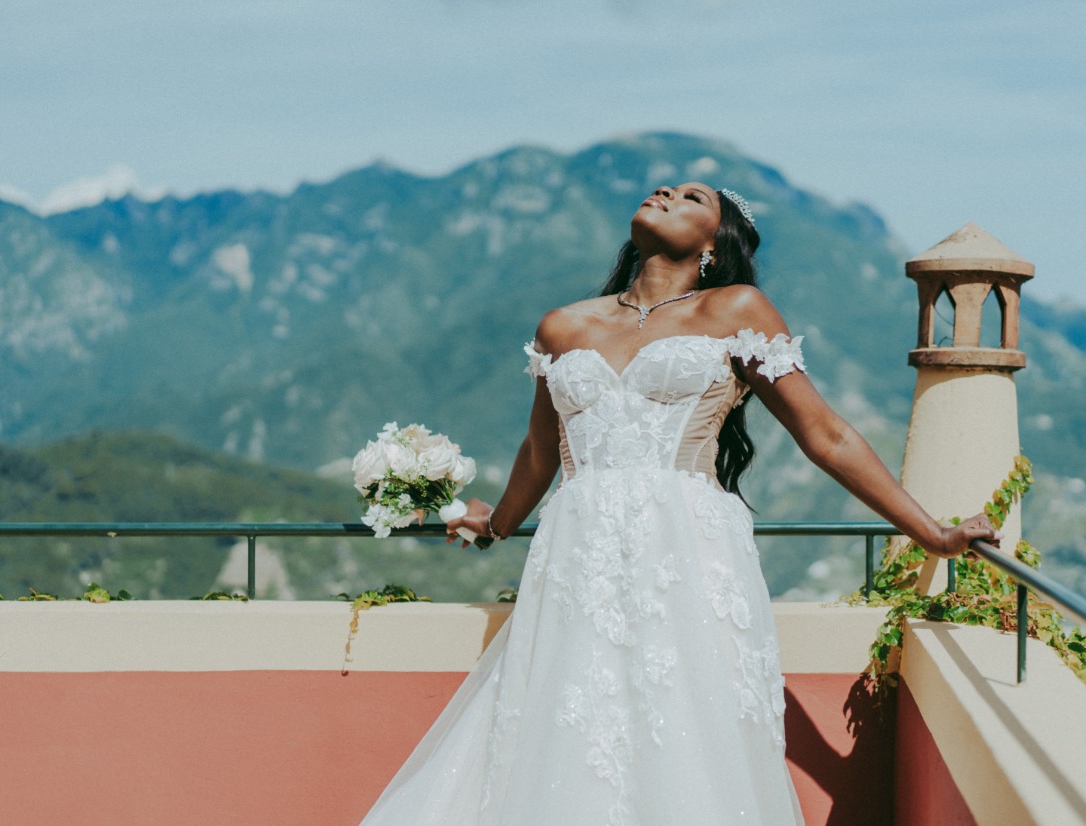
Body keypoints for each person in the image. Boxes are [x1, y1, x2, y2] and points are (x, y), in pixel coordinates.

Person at [358, 182, 998, 825]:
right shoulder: (563, 324)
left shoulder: (736, 308)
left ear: (715, 245)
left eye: (693, 196)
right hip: (578, 553)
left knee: (687, 719)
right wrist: (493, 524)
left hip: (688, 548)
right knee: (572, 720)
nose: (665, 190)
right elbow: (538, 453)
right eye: (665, 186)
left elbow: (825, 434)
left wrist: (930, 532)